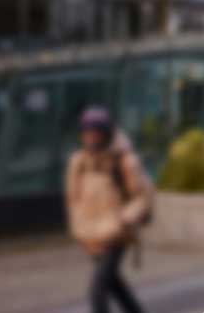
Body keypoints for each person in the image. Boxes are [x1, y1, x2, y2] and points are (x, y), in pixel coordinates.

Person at [65, 106, 152, 313]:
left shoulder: (123, 161)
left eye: (95, 132)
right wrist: (79, 225)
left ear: (105, 133)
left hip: (116, 236)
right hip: (91, 235)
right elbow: (73, 198)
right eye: (86, 132)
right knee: (116, 286)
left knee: (97, 292)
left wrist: (123, 219)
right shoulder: (79, 162)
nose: (90, 137)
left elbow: (141, 198)